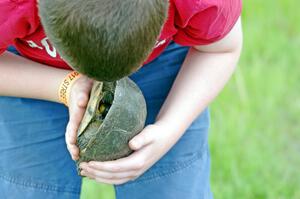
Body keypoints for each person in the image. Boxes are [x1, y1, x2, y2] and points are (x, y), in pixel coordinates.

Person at [0, 0, 243, 198]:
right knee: (29, 188)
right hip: (27, 68)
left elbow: (223, 48)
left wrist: (169, 128)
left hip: (161, 61)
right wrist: (65, 85)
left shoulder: (200, 3)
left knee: (171, 187)